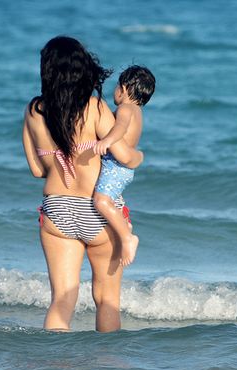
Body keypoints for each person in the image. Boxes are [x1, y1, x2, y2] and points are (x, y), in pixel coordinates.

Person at [22, 36, 143, 332]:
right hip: (97, 211)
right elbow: (124, 156)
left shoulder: (33, 111)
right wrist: (139, 155)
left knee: (61, 301)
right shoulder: (95, 107)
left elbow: (37, 169)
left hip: (57, 210)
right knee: (107, 300)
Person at [92, 65, 155, 266]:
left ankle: (128, 237)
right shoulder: (137, 111)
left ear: (124, 88)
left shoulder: (125, 109)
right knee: (109, 200)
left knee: (101, 202)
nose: (114, 91)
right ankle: (124, 223)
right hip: (121, 169)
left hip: (115, 167)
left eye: (116, 86)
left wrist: (107, 141)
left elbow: (119, 127)